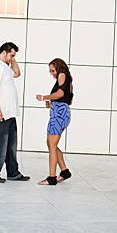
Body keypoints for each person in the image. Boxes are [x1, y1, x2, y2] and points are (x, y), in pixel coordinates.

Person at [0, 42, 30, 183]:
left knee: (11, 145)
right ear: (4, 52)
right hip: (0, 114)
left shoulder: (4, 66)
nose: (12, 58)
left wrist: (12, 59)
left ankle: (13, 173)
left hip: (9, 114)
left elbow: (17, 73)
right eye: (11, 55)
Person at [35, 58, 73, 186]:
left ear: (59, 68)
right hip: (61, 112)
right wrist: (52, 103)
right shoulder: (68, 79)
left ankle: (52, 178)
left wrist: (44, 97)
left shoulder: (62, 75)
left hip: (59, 115)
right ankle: (64, 171)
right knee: (51, 143)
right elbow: (67, 99)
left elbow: (60, 93)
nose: (52, 73)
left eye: (53, 70)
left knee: (51, 146)